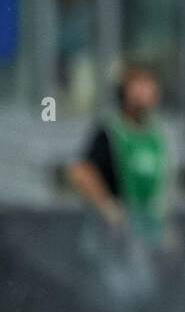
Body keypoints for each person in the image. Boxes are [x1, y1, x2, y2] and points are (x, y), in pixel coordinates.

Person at [68, 64, 168, 244]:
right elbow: (81, 171)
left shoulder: (158, 136)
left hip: (149, 235)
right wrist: (108, 207)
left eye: (148, 85)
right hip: (113, 237)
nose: (144, 91)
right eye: (137, 85)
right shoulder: (110, 132)